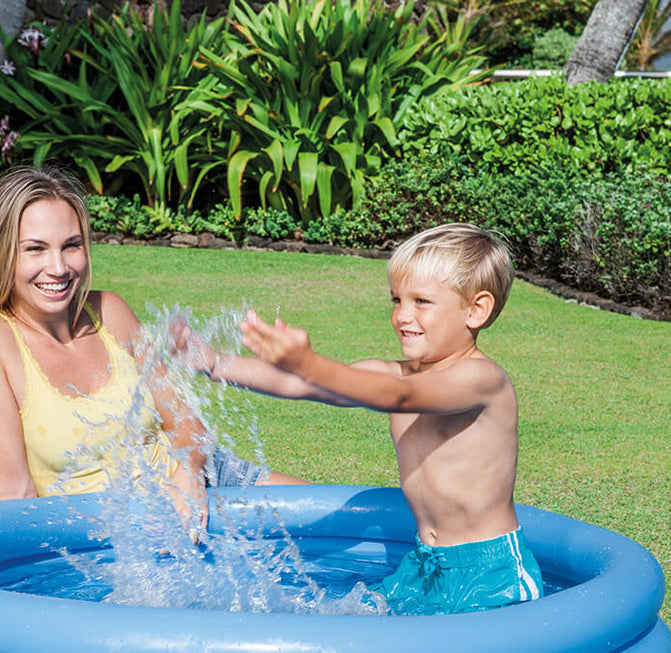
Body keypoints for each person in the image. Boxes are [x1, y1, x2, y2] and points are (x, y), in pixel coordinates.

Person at [171, 223, 542, 614]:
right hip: (424, 563)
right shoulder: (397, 373)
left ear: (476, 309)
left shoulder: (481, 380)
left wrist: (310, 362)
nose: (403, 315)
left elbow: (397, 398)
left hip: (490, 573)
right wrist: (212, 362)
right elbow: (302, 385)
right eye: (397, 300)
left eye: (421, 302)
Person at [0, 165, 299, 535]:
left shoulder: (110, 312)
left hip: (207, 482)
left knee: (352, 523)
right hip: (110, 544)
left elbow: (187, 424)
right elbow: (15, 493)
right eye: (35, 249)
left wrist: (187, 475)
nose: (58, 267)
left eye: (71, 246)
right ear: (0, 253)